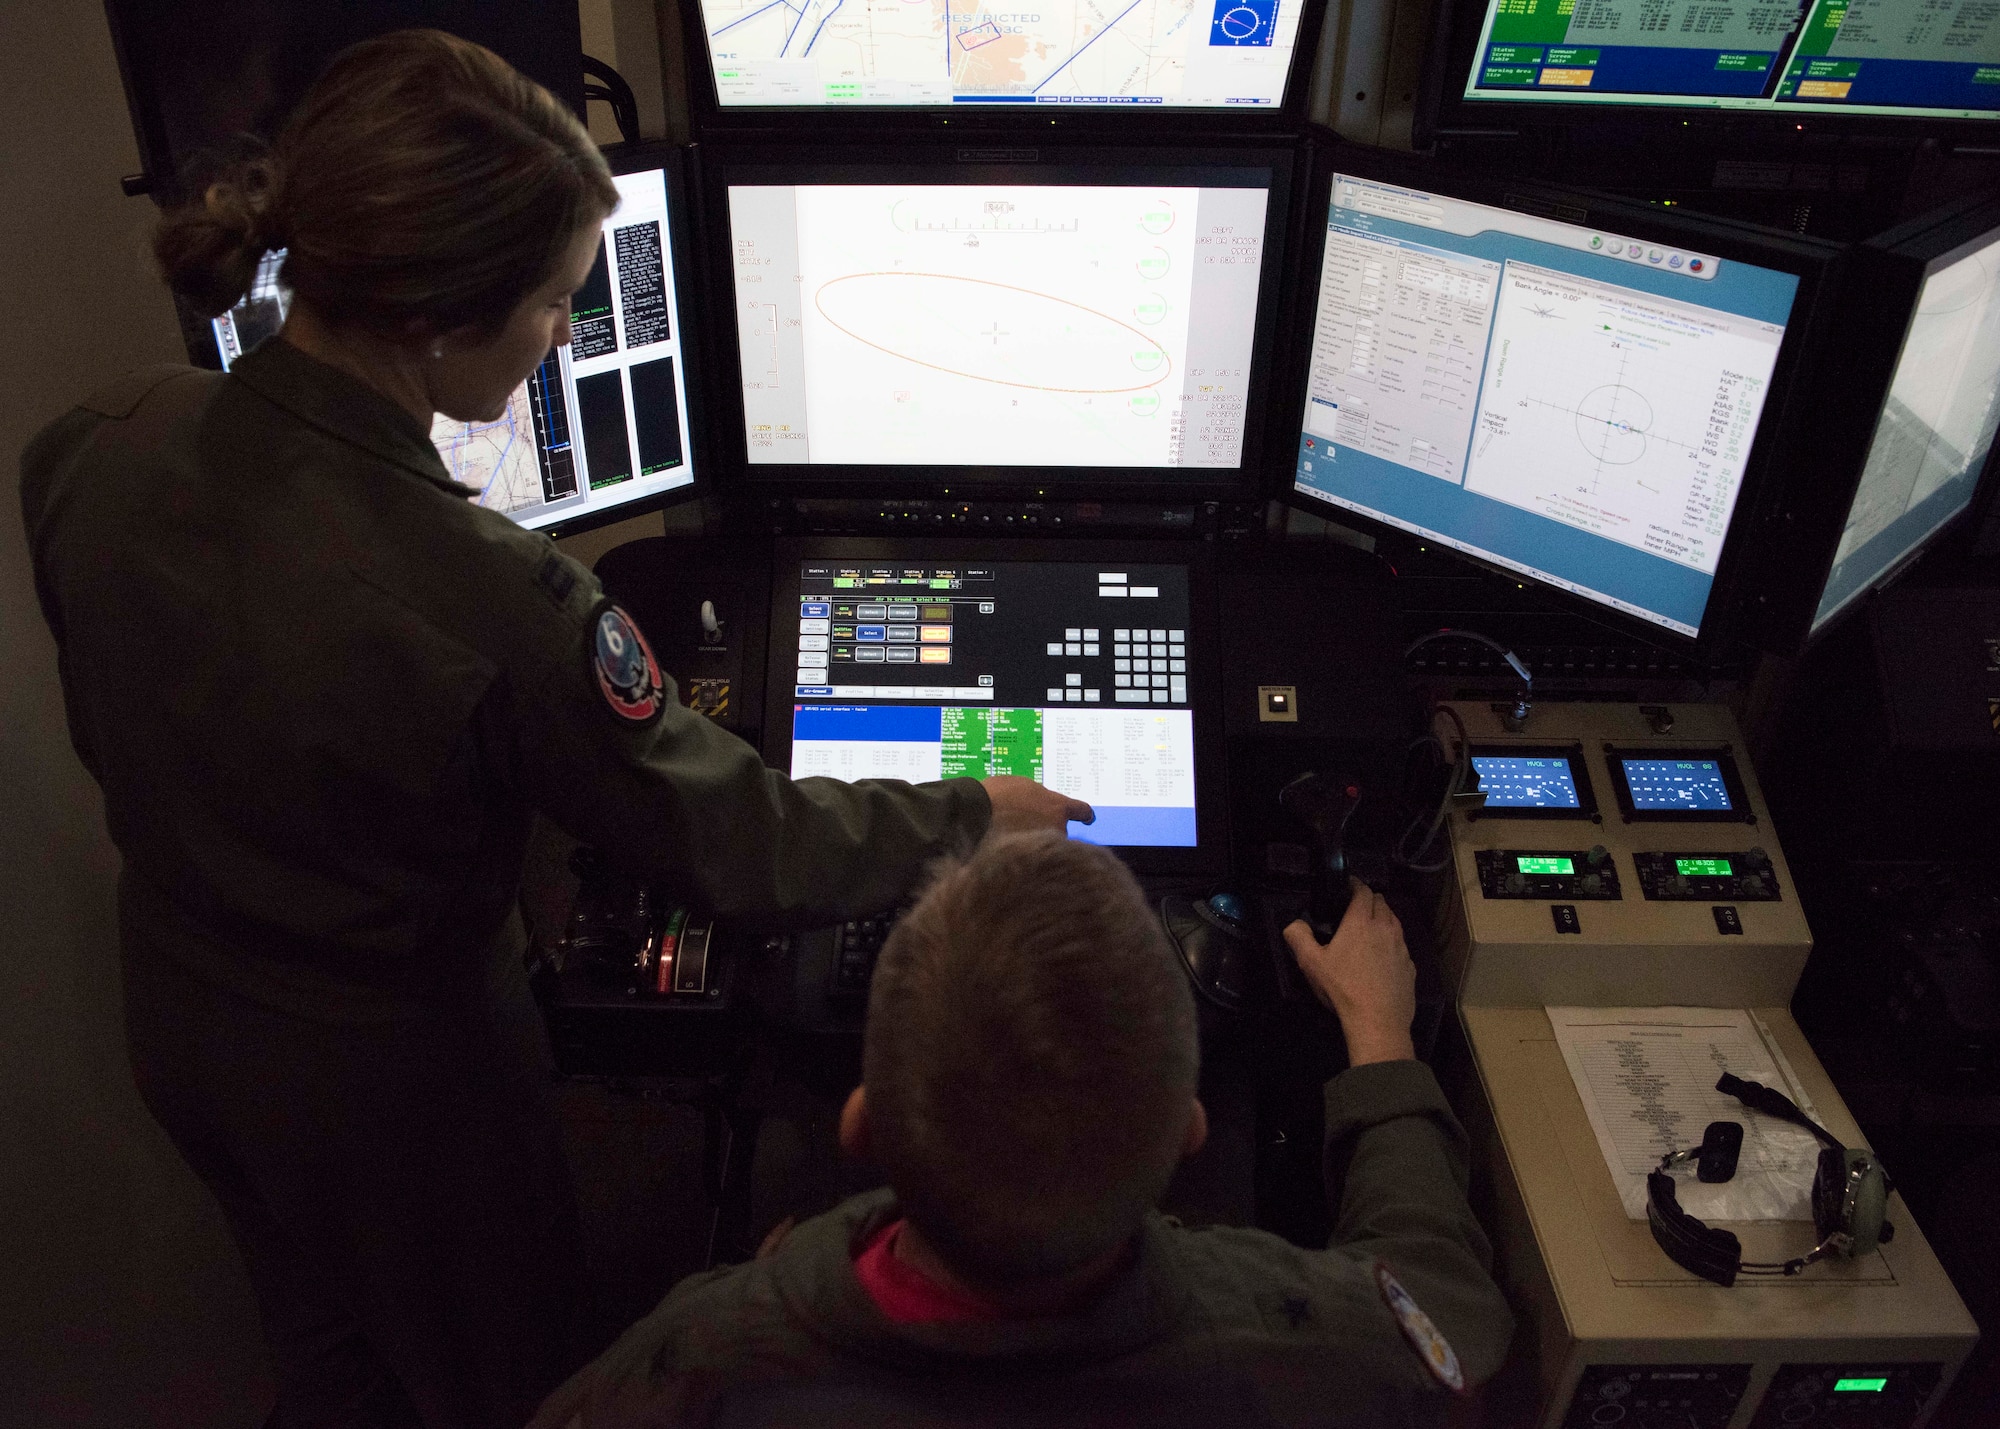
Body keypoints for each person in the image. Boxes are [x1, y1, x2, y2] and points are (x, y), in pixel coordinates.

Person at [19, 31, 1086, 1429]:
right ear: (442, 318)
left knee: (330, 1352)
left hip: (184, 1012)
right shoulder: (497, 600)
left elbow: (116, 725)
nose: (570, 337)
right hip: (400, 1085)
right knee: (507, 1378)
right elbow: (739, 840)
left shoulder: (101, 433)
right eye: (555, 302)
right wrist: (967, 813)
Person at [529, 833, 1514, 1429]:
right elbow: (1447, 1313)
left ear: (860, 1124)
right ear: (1187, 1133)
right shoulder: (1311, 1344)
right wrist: (1381, 1038)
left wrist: (782, 1269)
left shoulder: (698, 1350)